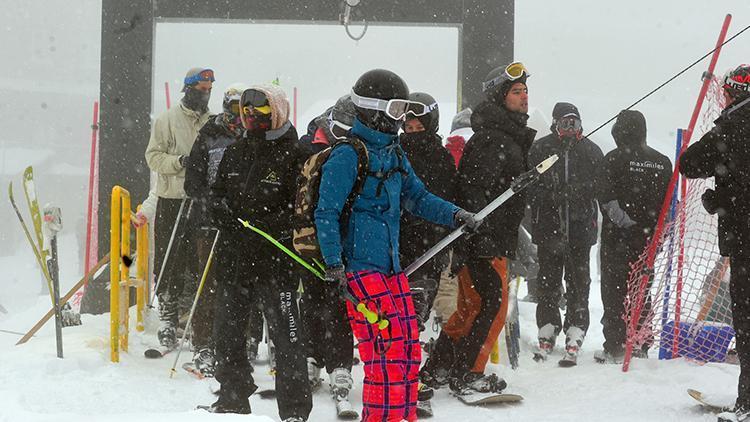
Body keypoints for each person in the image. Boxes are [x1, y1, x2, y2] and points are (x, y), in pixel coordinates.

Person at [315, 69, 479, 421]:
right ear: (374, 109)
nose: (402, 118)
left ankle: (400, 416)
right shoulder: (347, 155)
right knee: (386, 354)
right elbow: (325, 212)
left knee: (406, 352)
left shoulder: (393, 153)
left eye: (404, 110)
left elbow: (418, 197)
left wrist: (455, 214)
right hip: (360, 269)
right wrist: (334, 264)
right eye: (395, 110)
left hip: (392, 268)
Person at [419, 62, 535, 394]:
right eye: (517, 91)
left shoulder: (503, 136)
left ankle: (439, 368)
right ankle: (468, 373)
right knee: (492, 307)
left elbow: (497, 189)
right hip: (486, 240)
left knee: (471, 307)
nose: (524, 97)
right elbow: (473, 191)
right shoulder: (494, 140)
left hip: (486, 238)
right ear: (501, 97)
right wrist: (481, 238)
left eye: (526, 91)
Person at [207, 85, 312, 421]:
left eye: (261, 112)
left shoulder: (295, 155)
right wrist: (219, 210)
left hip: (275, 261)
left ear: (277, 112)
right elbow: (217, 192)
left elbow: (303, 207)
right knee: (228, 334)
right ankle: (232, 398)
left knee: (287, 337)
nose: (252, 118)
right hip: (235, 259)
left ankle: (294, 410)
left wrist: (270, 223)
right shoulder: (235, 153)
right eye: (247, 112)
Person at [679, 64, 750, 422]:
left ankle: (748, 404)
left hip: (745, 240)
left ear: (730, 92)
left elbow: (689, 164)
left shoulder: (732, 127)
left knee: (748, 319)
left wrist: (722, 198)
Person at [527, 102, 603, 365]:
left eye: (575, 123)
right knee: (548, 281)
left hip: (581, 230)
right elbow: (529, 187)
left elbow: (601, 187)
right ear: (555, 124)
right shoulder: (542, 149)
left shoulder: (591, 151)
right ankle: (548, 326)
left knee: (579, 281)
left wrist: (579, 191)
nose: (570, 128)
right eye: (565, 123)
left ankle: (576, 327)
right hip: (549, 230)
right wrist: (550, 195)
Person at [594, 109, 671, 364]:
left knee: (614, 292)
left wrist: (627, 223)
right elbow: (668, 204)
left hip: (619, 237)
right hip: (649, 239)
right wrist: (655, 232)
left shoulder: (613, 158)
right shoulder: (662, 161)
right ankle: (640, 341)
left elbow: (605, 197)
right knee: (642, 288)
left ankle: (615, 345)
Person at [144, 67, 214, 348]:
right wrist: (179, 162)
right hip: (173, 198)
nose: (205, 95)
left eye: (209, 90)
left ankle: (193, 314)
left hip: (201, 200)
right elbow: (153, 157)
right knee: (169, 258)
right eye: (201, 90)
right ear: (188, 89)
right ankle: (168, 315)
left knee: (198, 259)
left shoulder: (212, 121)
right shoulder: (167, 120)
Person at [297, 95, 358, 410]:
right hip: (309, 239)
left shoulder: (349, 152)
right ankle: (311, 356)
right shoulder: (307, 147)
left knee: (337, 304)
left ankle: (341, 365)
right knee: (311, 299)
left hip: (339, 237)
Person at [399, 91, 456, 333]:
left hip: (430, 243)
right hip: (398, 242)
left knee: (419, 308)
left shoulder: (440, 158)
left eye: (418, 127)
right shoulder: (396, 153)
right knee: (400, 314)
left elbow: (445, 197)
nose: (413, 133)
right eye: (409, 128)